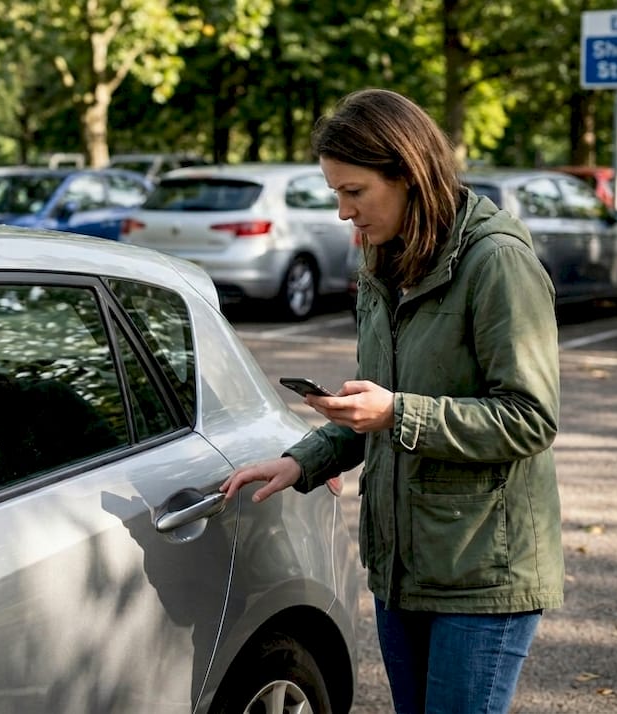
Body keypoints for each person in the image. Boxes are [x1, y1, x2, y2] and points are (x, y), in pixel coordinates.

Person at [220, 88, 564, 714]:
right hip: (401, 569)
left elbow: (530, 418)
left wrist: (398, 413)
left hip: (483, 573)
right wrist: (304, 460)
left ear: (407, 173)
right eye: (336, 195)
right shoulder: (384, 259)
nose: (344, 213)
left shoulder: (498, 263)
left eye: (355, 192)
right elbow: (370, 402)